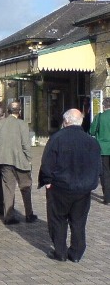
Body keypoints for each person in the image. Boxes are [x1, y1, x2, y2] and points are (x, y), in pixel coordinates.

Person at [39, 109, 101, 262]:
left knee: (58, 220)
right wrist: (91, 183)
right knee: (78, 221)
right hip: (82, 188)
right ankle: (76, 252)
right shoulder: (91, 141)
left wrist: (47, 180)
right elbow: (97, 166)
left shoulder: (56, 138)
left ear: (66, 121)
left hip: (60, 186)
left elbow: (47, 162)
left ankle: (60, 251)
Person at [0, 101, 38, 225]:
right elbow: (26, 144)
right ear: (19, 111)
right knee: (25, 187)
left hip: (4, 160)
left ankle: (9, 216)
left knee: (8, 188)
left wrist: (1, 153)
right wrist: (29, 158)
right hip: (20, 160)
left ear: (8, 111)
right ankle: (29, 214)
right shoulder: (22, 124)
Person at [89, 97, 110, 205]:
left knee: (105, 174)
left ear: (103, 106)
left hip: (103, 149)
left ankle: (107, 197)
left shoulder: (100, 117)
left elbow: (92, 131)